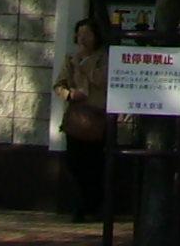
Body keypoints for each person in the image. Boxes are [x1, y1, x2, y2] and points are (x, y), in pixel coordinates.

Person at [53, 17, 110, 223]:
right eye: (80, 33)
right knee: (75, 164)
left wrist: (84, 65)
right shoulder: (70, 60)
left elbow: (102, 80)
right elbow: (59, 85)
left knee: (94, 165)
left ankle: (96, 206)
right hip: (76, 120)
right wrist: (69, 94)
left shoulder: (103, 58)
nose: (82, 38)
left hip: (96, 120)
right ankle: (79, 207)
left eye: (87, 34)